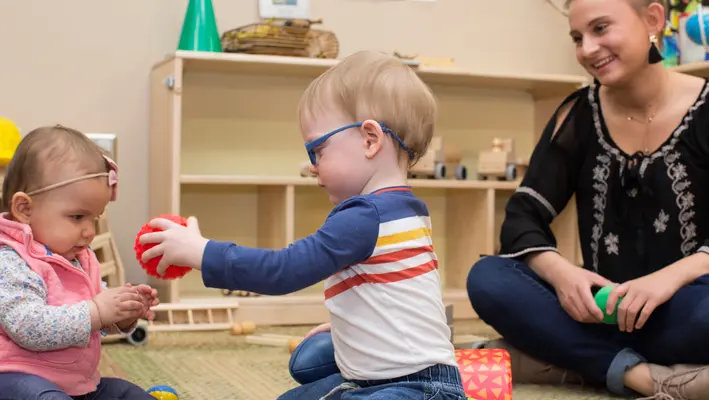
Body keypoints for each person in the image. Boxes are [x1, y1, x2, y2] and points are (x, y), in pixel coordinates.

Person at [466, 0, 709, 398]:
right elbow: (522, 217)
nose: (587, 49)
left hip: (683, 313)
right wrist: (562, 273)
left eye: (601, 28)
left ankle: (566, 360)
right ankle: (646, 377)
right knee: (488, 278)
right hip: (596, 313)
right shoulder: (576, 115)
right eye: (578, 37)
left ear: (653, 20)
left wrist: (669, 279)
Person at [138, 51, 467, 399]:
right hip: (386, 378)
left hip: (416, 389)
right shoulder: (407, 208)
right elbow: (398, 299)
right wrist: (354, 327)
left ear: (370, 140)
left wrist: (202, 252)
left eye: (318, 150)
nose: (312, 166)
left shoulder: (365, 216)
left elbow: (283, 270)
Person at [0, 125, 160, 399]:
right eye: (77, 217)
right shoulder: (11, 260)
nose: (89, 231)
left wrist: (122, 314)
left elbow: (94, 320)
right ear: (25, 209)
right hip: (18, 379)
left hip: (77, 384)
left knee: (128, 393)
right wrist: (97, 311)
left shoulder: (79, 259)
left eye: (94, 218)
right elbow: (28, 327)